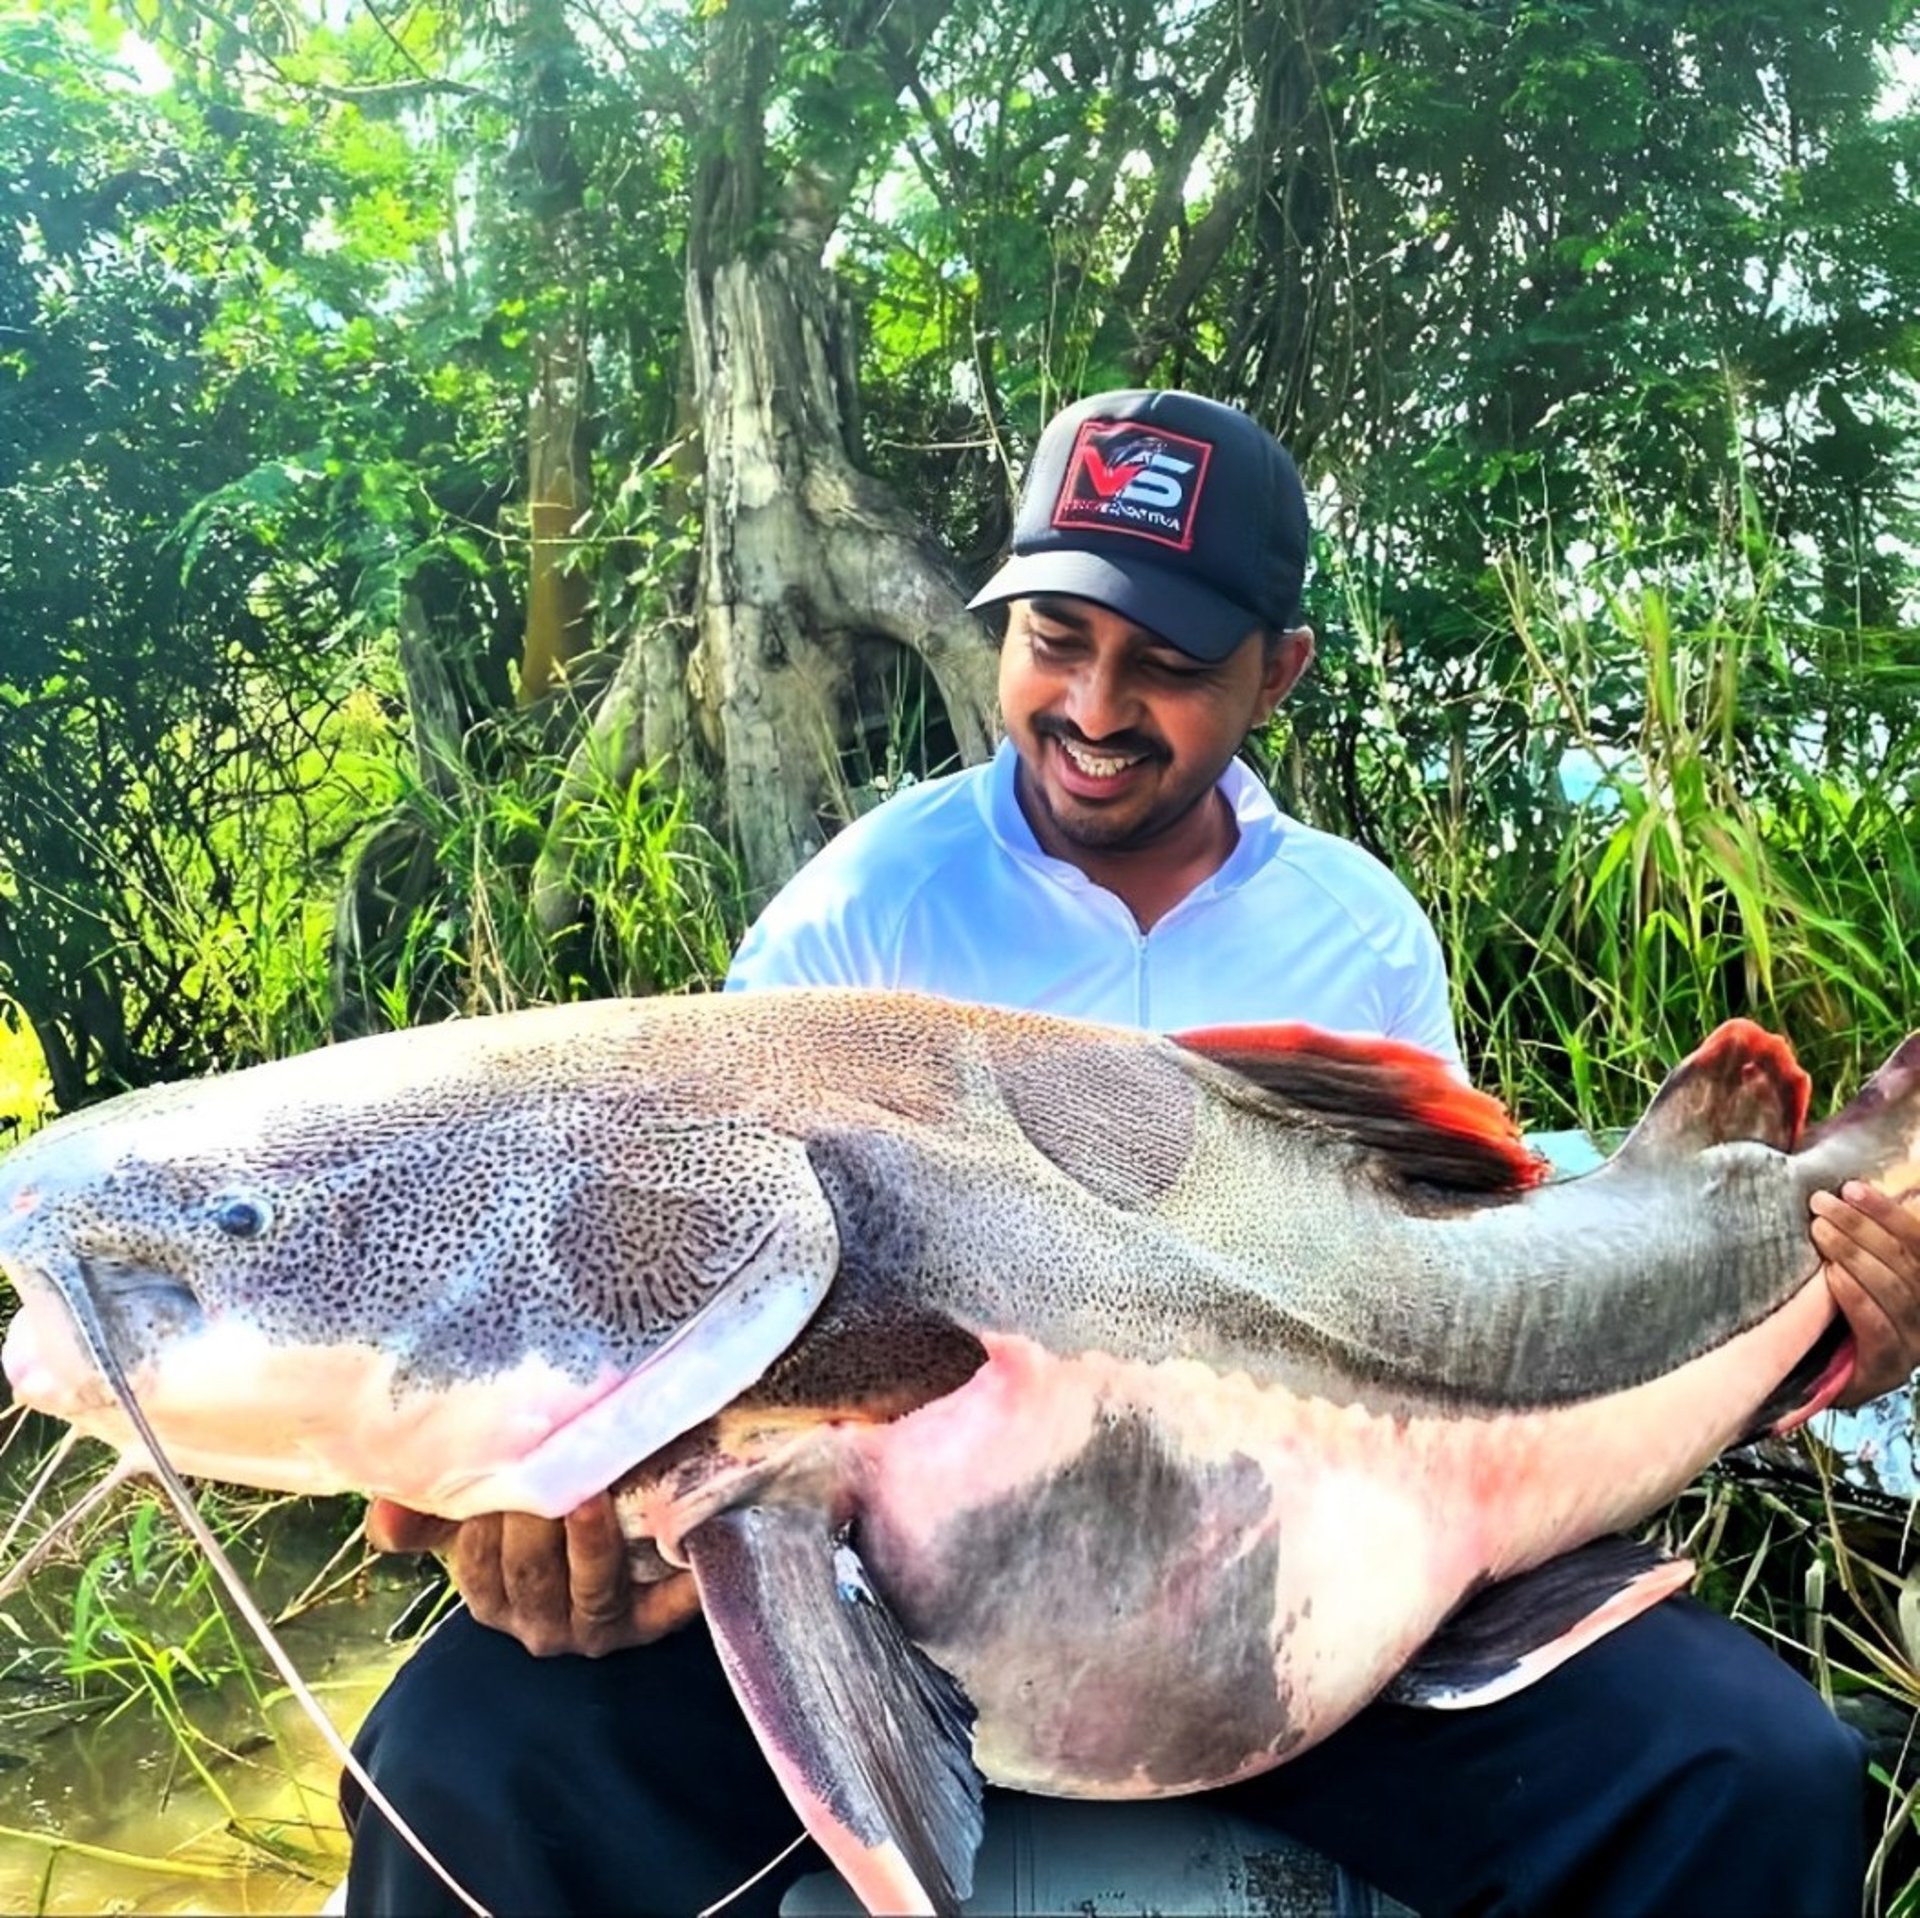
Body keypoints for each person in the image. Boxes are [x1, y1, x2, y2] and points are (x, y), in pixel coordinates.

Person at [346, 389, 1920, 1917]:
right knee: (454, 1761)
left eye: (1164, 665)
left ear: (1277, 670)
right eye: (1055, 641)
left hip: (1318, 1618)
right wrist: (577, 1537)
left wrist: (1848, 1334)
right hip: (888, 1627)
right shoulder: (861, 912)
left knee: (1753, 1769)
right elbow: (702, 1299)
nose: (1094, 711)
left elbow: (1464, 1286)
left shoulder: (1354, 928)